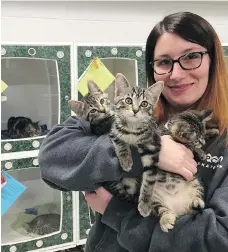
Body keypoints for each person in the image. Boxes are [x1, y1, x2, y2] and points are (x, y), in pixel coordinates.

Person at [38, 11, 228, 252]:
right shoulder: (125, 110)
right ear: (152, 69)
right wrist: (147, 151)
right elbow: (51, 158)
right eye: (164, 62)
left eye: (191, 57)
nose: (176, 74)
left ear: (214, 61)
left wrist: (118, 214)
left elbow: (217, 241)